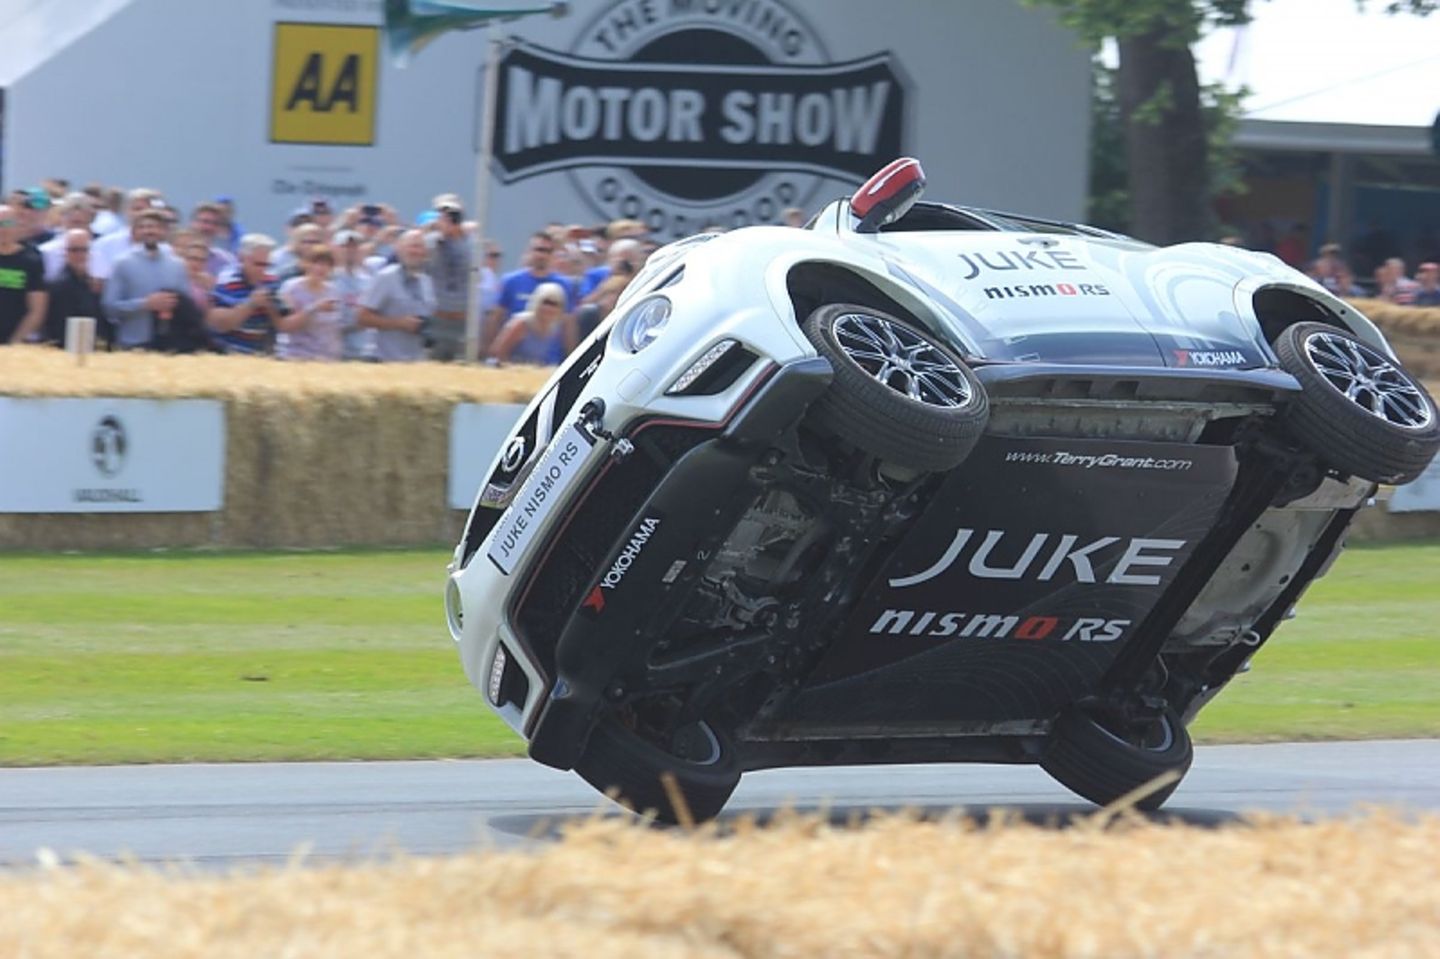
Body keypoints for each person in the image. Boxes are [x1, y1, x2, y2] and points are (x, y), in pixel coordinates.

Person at [100, 209, 189, 349]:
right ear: (134, 232)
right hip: (132, 343)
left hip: (169, 343)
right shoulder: (122, 264)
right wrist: (144, 304)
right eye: (143, 227)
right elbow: (110, 307)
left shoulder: (177, 265)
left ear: (164, 231)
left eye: (154, 227)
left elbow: (186, 304)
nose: (149, 231)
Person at [485, 231, 575, 353]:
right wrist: (489, 349)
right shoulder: (511, 281)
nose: (542, 255)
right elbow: (496, 317)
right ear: (529, 251)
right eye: (539, 250)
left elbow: (568, 324)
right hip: (514, 355)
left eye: (548, 251)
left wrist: (571, 353)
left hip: (550, 355)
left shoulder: (564, 285)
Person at [358, 229, 435, 362]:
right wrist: (399, 323)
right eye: (412, 246)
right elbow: (362, 317)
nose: (416, 251)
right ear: (399, 249)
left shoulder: (426, 281)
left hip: (414, 361)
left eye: (420, 247)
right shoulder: (385, 277)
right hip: (383, 359)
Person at [208, 234, 283, 354]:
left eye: (266, 265)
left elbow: (282, 325)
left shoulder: (272, 282)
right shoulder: (227, 281)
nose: (262, 270)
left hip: (258, 353)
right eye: (257, 264)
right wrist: (251, 304)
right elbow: (219, 324)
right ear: (242, 259)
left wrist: (272, 306)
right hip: (227, 350)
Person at [43, 228, 107, 347]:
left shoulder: (92, 283)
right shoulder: (59, 285)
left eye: (84, 250)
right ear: (65, 253)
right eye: (74, 250)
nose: (80, 255)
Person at [276, 249, 344, 361]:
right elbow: (285, 325)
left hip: (327, 357)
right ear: (305, 264)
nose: (321, 268)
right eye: (317, 263)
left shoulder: (334, 291)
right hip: (297, 354)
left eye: (327, 265)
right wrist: (314, 308)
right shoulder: (291, 288)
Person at [426, 197, 471, 361]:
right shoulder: (431, 241)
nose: (448, 219)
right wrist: (437, 233)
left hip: (461, 319)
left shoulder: (470, 243)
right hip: (437, 318)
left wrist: (460, 233)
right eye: (442, 215)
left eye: (453, 215)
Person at [488, 281, 576, 365]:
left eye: (554, 304)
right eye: (545, 303)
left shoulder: (556, 327)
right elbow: (497, 353)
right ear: (537, 302)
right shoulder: (521, 323)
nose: (549, 308)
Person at [91, 188, 167, 282]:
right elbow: (98, 283)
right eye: (138, 209)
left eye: (149, 210)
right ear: (126, 211)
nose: (144, 215)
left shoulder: (168, 251)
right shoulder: (104, 245)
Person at [0, 204, 48, 344]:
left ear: (17, 225)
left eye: (7, 223)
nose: (3, 229)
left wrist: (14, 344)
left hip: (14, 342)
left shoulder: (30, 260)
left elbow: (37, 310)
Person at [331, 230, 375, 360]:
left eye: (354, 247)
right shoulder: (329, 280)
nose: (350, 250)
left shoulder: (368, 279)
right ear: (335, 249)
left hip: (366, 349)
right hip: (339, 351)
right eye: (344, 246)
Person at [37, 193, 97, 280]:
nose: (76, 213)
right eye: (73, 222)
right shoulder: (46, 251)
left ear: (90, 219)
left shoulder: (99, 250)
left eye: (80, 223)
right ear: (62, 217)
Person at [189, 202, 238, 277]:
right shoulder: (175, 255)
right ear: (193, 223)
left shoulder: (226, 261)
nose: (209, 227)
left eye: (215, 223)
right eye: (205, 221)